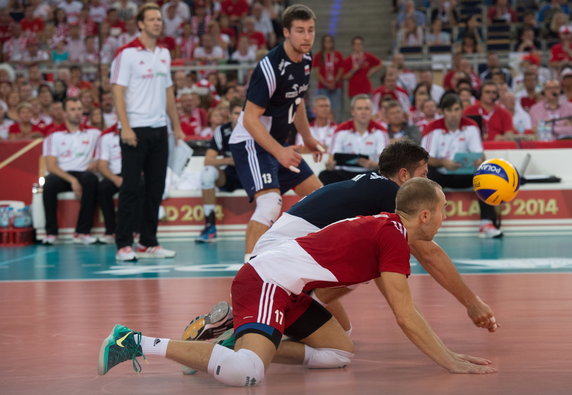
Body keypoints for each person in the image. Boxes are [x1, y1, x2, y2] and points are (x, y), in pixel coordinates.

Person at [99, 178, 497, 386]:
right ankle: (130, 342)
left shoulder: (389, 230)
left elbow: (332, 285)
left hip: (290, 289)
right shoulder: (393, 236)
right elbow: (406, 316)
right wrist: (451, 362)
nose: (447, 217)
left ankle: (225, 342)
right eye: (444, 210)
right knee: (248, 373)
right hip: (266, 280)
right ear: (425, 215)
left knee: (340, 353)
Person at [228, 4, 324, 262]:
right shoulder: (270, 67)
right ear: (286, 32)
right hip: (252, 142)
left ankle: (310, 254)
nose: (306, 37)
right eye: (300, 31)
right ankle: (248, 271)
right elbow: (249, 119)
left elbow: (298, 100)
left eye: (311, 31)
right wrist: (280, 151)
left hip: (279, 144)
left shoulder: (306, 59)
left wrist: (307, 138)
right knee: (270, 204)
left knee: (320, 196)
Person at [110, 2, 185, 261]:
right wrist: (125, 126)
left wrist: (176, 127)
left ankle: (148, 241)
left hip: (159, 129)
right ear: (140, 23)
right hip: (135, 130)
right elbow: (117, 91)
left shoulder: (164, 53)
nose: (157, 23)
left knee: (156, 187)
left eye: (159, 19)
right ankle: (123, 244)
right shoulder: (126, 54)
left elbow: (168, 92)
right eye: (152, 19)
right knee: (131, 187)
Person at [423, 93, 502, 238]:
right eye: (449, 110)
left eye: (457, 109)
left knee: (486, 175)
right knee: (425, 177)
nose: (454, 114)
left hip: (465, 174)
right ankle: (427, 224)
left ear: (461, 110)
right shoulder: (432, 129)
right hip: (441, 174)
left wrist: (478, 161)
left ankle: (486, 223)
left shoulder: (471, 127)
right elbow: (425, 159)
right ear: (443, 112)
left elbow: (480, 155)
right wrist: (443, 163)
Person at [41, 97, 100, 245]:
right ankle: (51, 233)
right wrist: (73, 181)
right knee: (48, 184)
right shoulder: (53, 135)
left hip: (84, 173)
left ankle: (83, 232)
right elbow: (51, 166)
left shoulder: (94, 133)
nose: (77, 113)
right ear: (65, 113)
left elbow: (105, 153)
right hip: (62, 174)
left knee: (91, 180)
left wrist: (96, 163)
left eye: (79, 109)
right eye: (73, 109)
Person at [196, 100, 243, 242]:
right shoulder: (222, 131)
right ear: (229, 115)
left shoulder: (255, 129)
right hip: (230, 175)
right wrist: (229, 160)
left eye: (242, 114)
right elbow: (208, 160)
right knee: (207, 173)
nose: (239, 117)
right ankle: (210, 226)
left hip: (252, 175)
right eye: (236, 113)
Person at [319, 94, 389, 185]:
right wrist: (330, 165)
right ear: (353, 112)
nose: (363, 112)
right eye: (359, 109)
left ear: (371, 111)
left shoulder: (380, 131)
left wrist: (373, 164)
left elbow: (385, 162)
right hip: (345, 174)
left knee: (385, 177)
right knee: (324, 175)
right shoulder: (341, 130)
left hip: (370, 173)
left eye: (366, 108)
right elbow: (332, 157)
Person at [312, 34, 344, 122]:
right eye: (326, 41)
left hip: (336, 86)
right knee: (323, 109)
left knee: (336, 109)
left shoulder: (338, 54)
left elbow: (341, 70)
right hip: (323, 87)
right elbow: (317, 72)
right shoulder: (318, 56)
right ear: (323, 43)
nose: (328, 44)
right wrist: (326, 83)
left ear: (333, 43)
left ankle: (336, 127)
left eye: (330, 41)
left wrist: (334, 81)